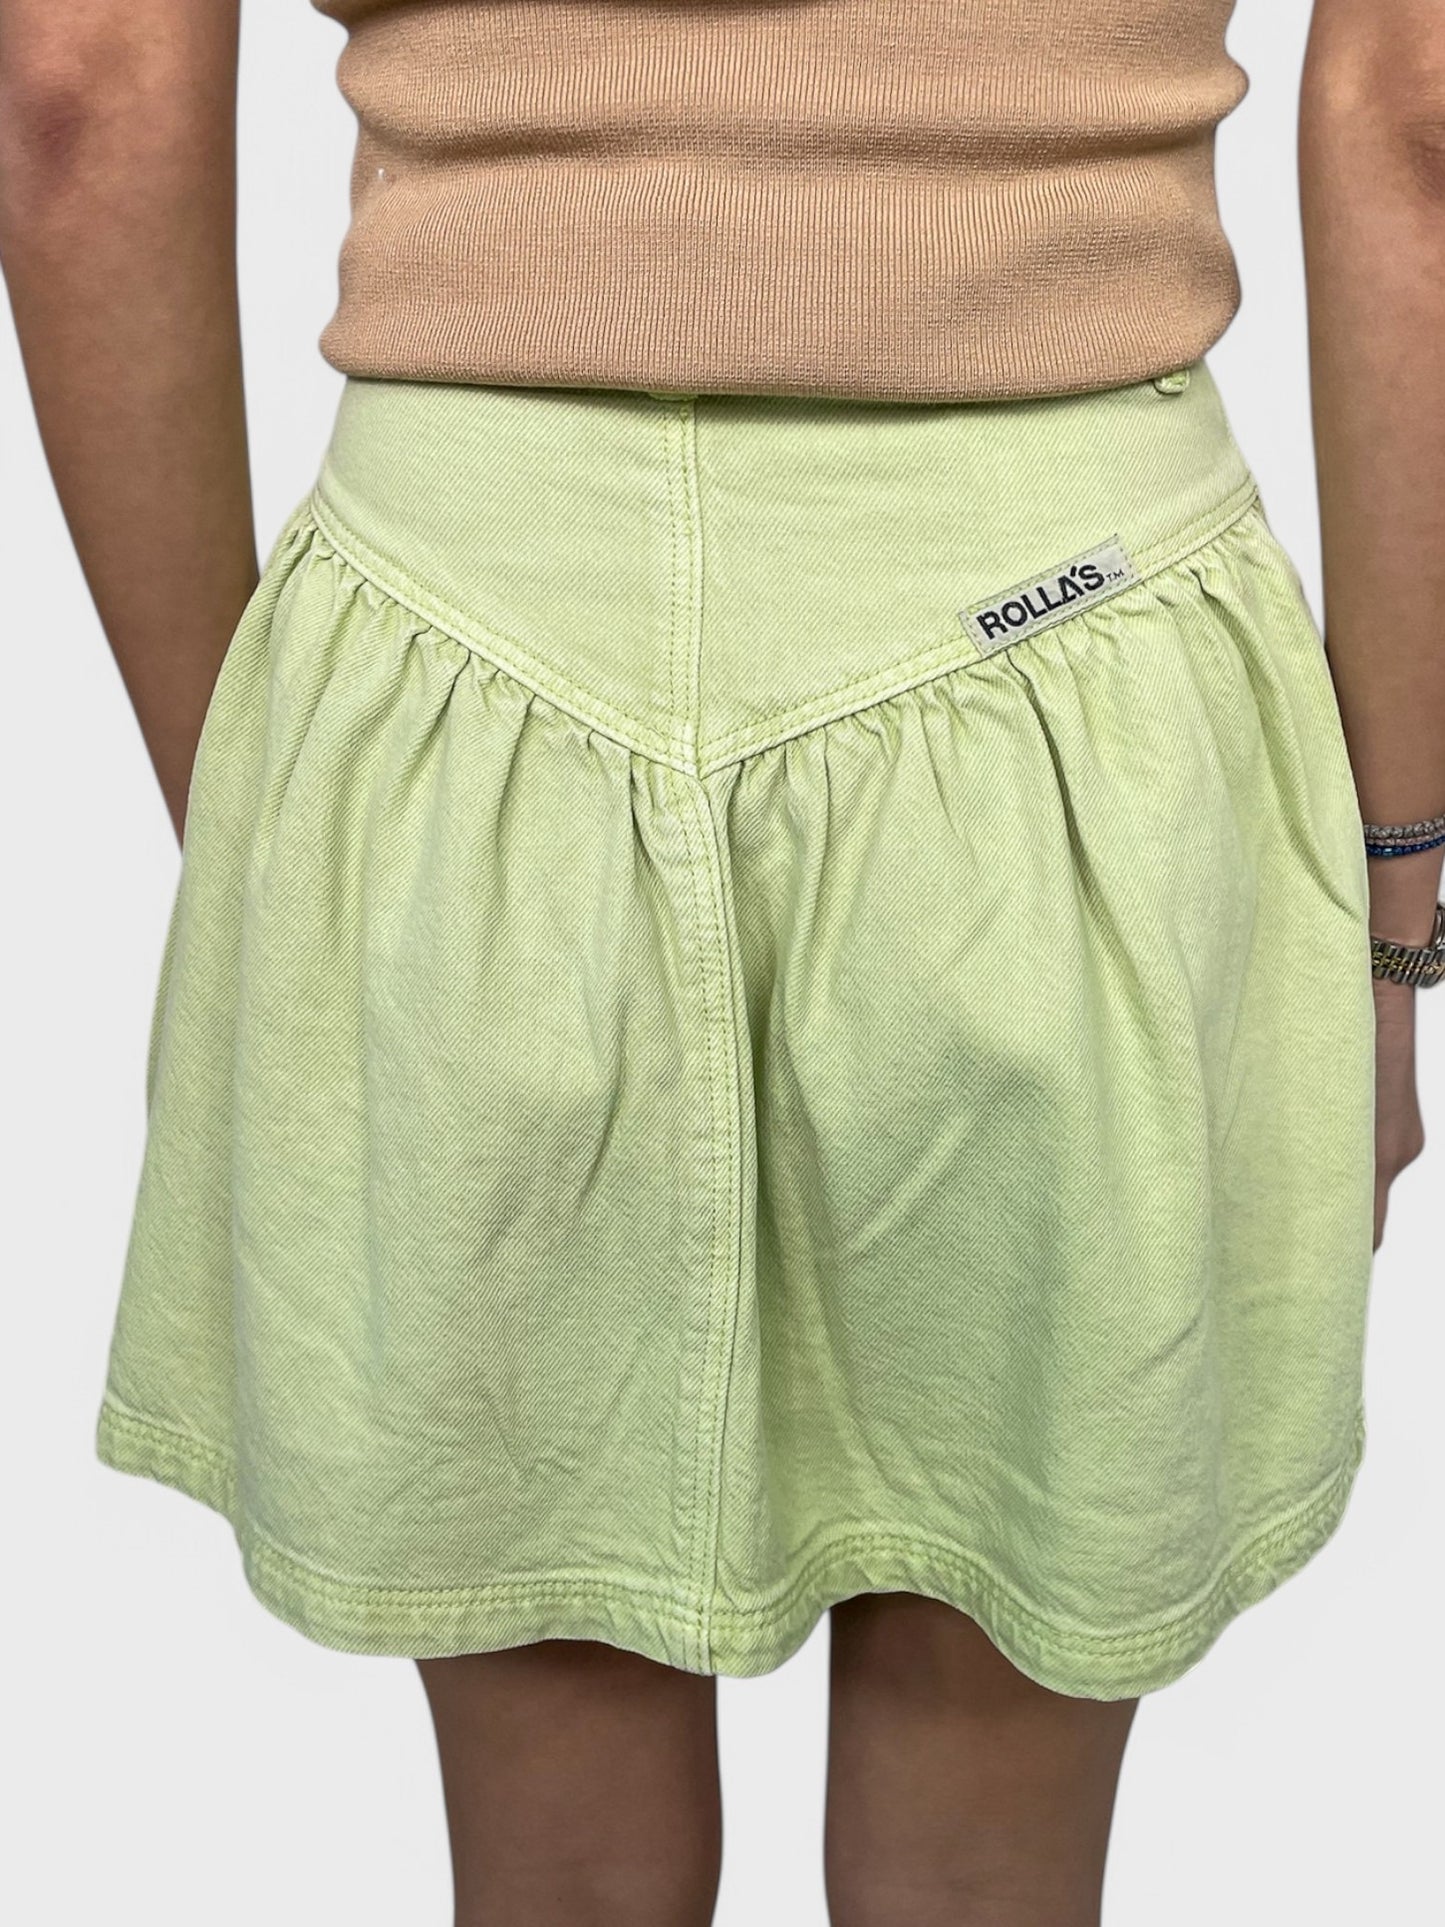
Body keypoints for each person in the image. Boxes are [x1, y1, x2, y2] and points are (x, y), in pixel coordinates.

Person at [2, 1, 1440, 1921]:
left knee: (559, 1874)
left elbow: (77, 91)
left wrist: (271, 816)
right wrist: (1389, 913)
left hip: (453, 647)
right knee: (983, 1874)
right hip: (1070, 653)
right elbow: (1419, 113)